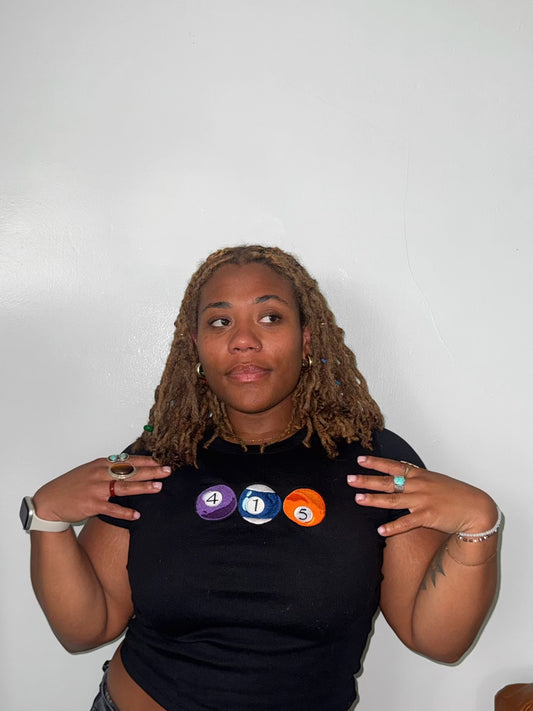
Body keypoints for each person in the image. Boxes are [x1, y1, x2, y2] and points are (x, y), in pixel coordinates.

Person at [22, 245, 500, 711]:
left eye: (270, 317)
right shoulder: (157, 458)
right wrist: (47, 518)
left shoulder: (374, 463)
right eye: (220, 321)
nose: (244, 340)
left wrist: (479, 524)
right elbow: (86, 628)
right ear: (196, 346)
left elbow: (437, 640)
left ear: (307, 339)